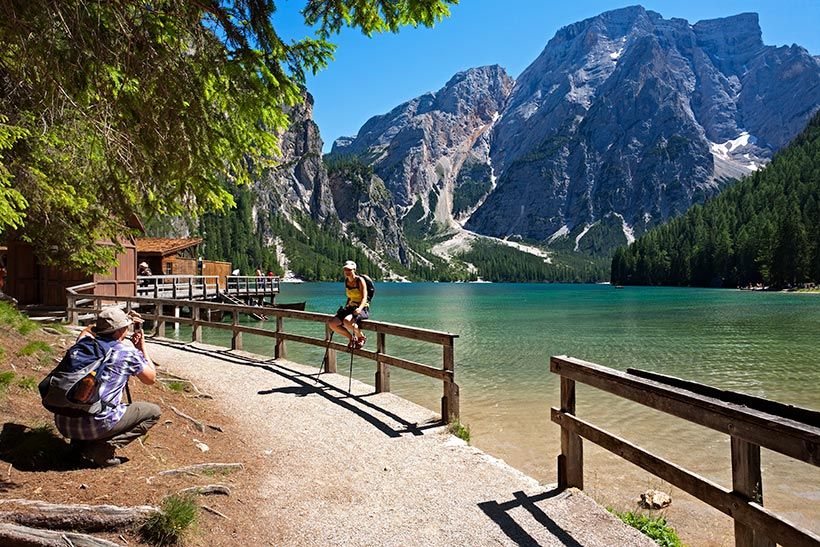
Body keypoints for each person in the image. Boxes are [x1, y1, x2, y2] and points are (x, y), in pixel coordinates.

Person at [54, 307, 160, 468]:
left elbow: (86, 331)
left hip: (63, 421)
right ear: (119, 331)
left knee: (87, 398)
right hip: (96, 424)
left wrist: (100, 326)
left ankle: (78, 446)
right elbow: (151, 378)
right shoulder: (127, 353)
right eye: (126, 326)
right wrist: (141, 347)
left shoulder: (83, 344)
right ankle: (102, 448)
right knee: (153, 412)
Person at [327, 260, 369, 349]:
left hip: (362, 308)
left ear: (354, 270)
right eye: (345, 269)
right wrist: (346, 306)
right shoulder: (346, 281)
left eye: (349, 270)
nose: (347, 272)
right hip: (350, 307)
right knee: (332, 324)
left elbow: (365, 297)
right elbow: (350, 296)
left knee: (347, 321)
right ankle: (351, 338)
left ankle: (361, 337)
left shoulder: (360, 280)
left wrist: (360, 308)